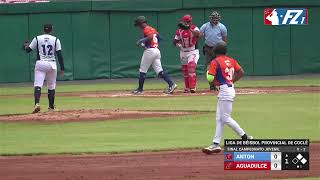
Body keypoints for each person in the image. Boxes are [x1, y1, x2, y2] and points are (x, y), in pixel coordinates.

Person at [202, 42, 252, 155]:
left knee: (225, 118)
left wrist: (208, 72)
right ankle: (215, 144)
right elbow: (241, 72)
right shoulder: (231, 60)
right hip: (229, 89)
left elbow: (210, 78)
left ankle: (245, 137)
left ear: (215, 51)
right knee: (219, 118)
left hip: (225, 91)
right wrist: (231, 81)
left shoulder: (215, 62)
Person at [23, 24, 65, 113]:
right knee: (51, 86)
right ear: (51, 30)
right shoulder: (56, 39)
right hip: (52, 64)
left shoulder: (37, 38)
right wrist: (62, 68)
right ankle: (51, 107)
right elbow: (59, 55)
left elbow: (28, 50)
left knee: (38, 84)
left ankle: (37, 104)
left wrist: (25, 46)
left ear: (43, 30)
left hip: (40, 63)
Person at [132, 16, 177, 95]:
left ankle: (140, 89)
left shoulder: (146, 29)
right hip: (156, 51)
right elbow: (159, 38)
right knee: (159, 71)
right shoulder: (152, 29)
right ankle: (172, 84)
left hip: (150, 51)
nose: (139, 26)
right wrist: (147, 43)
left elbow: (150, 37)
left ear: (142, 23)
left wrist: (141, 41)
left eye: (139, 24)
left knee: (142, 70)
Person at [200, 11, 227, 90]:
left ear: (219, 19)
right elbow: (200, 35)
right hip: (208, 48)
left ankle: (221, 84)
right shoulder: (205, 26)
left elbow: (225, 39)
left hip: (218, 48)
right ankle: (212, 85)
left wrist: (224, 49)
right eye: (213, 19)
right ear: (210, 19)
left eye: (216, 19)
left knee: (220, 66)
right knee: (209, 66)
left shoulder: (222, 27)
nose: (215, 20)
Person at [173, 14, 200, 93]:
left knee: (191, 66)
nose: (188, 23)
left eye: (189, 21)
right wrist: (178, 45)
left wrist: (189, 28)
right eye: (187, 22)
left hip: (193, 51)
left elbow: (198, 35)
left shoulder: (194, 28)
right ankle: (187, 87)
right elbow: (175, 41)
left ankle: (193, 87)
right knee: (185, 70)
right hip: (183, 51)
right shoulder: (180, 30)